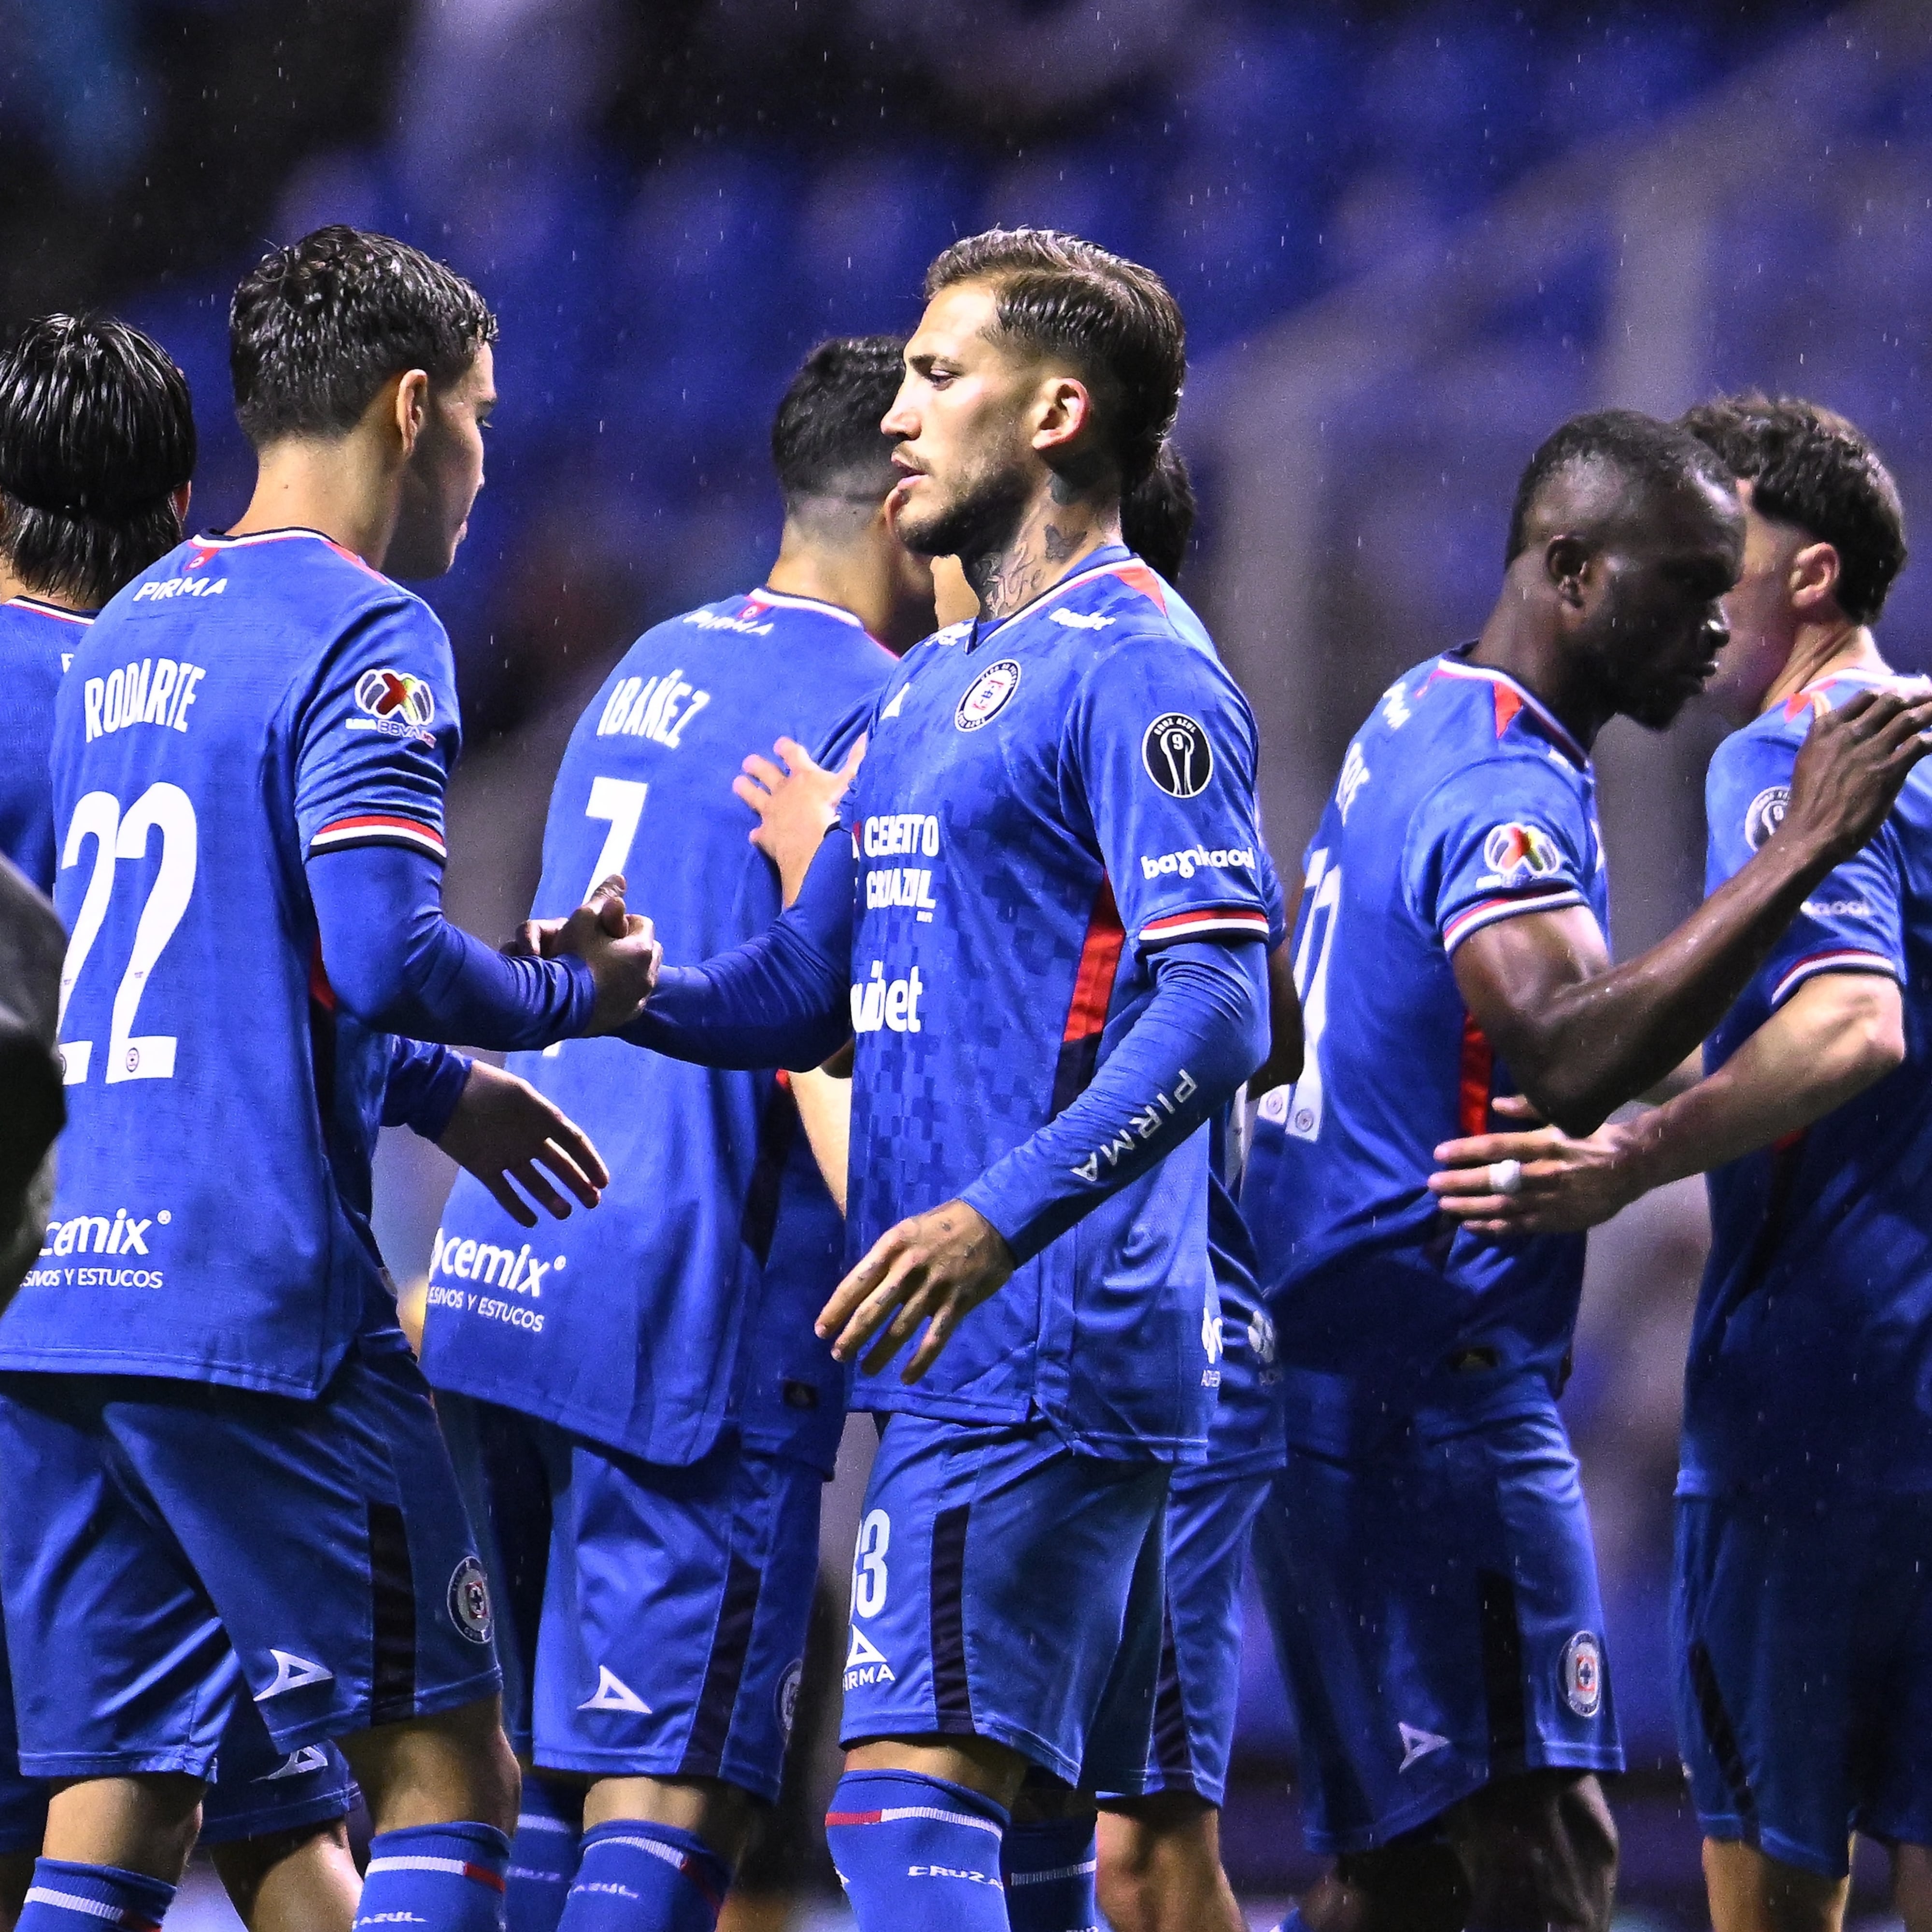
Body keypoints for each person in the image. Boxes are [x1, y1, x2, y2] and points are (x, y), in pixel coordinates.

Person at [563, 227, 1273, 1932]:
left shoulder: (1139, 665)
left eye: (940, 377)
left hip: (1043, 1341)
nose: (898, 415)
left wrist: (992, 1217)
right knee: (1050, 1865)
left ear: (1057, 413)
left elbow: (1227, 1000)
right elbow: (807, 989)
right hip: (965, 1349)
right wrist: (612, 993)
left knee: (896, 1816)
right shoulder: (936, 685)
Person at [0, 227, 659, 1932]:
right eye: (485, 424)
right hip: (259, 1305)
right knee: (449, 1769)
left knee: (122, 1803)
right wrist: (559, 990)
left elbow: (215, 959)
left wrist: (441, 1093)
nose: (484, 468)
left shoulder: (136, 626)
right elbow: (378, 953)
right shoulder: (371, 632)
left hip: (73, 1300)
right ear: (412, 404)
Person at [1237, 408, 1932, 1932]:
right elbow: (1563, 1047)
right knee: (1550, 1863)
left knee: (1401, 1871)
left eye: (1720, 586)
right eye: (1683, 588)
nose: (1707, 628)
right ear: (1570, 571)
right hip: (1432, 1380)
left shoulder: (1423, 707)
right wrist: (1795, 853)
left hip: (1343, 1355)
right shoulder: (1515, 787)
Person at [419, 335, 931, 1932]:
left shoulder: (647, 661)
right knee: (670, 1804)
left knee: (552, 1796)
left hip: (510, 1283)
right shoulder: (892, 713)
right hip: (690, 1327)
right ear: (911, 500)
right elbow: (839, 1045)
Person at [749, 440, 1294, 1932]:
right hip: (1162, 1351)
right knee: (1088, 1824)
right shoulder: (1087, 756)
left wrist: (838, 934)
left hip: (1064, 1349)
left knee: (925, 1807)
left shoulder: (1105, 713)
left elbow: (965, 1140)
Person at [0, 309, 409, 1932]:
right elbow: (302, 980)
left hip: (42, 1322)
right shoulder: (189, 695)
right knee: (265, 1810)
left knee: (171, 1800)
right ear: (183, 511)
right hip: (190, 1309)